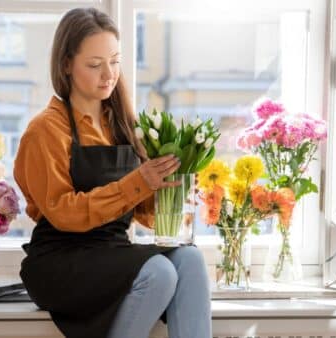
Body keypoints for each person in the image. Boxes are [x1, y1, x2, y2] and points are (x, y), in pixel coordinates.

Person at [13, 7, 211, 338]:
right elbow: (62, 213)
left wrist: (171, 192)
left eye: (115, 61)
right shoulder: (46, 129)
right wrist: (137, 182)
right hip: (60, 259)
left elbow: (144, 215)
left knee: (189, 260)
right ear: (66, 65)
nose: (109, 74)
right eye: (95, 64)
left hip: (113, 252)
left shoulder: (125, 125)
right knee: (159, 271)